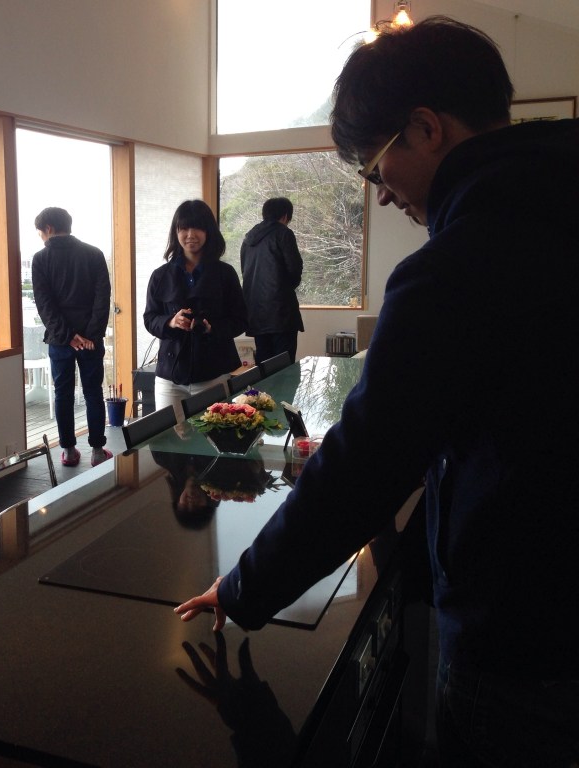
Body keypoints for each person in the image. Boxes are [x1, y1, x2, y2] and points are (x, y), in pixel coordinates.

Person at [175, 17, 579, 767]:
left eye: (373, 168)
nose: (382, 195)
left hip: (528, 634)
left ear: (426, 129)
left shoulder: (457, 266)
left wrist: (241, 589)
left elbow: (360, 474)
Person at [143, 199, 247, 423]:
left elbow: (240, 320)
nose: (190, 234)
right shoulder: (160, 275)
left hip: (214, 373)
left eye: (197, 227)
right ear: (176, 232)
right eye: (184, 228)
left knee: (212, 440)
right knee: (170, 442)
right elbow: (150, 318)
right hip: (170, 376)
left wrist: (212, 327)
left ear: (208, 231)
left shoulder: (225, 274)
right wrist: (171, 322)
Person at [31, 207, 112, 467]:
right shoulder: (94, 254)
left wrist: (67, 336)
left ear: (49, 229)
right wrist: (89, 335)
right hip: (90, 340)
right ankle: (98, 451)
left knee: (63, 394)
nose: (41, 237)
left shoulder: (41, 259)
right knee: (93, 393)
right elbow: (102, 299)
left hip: (59, 341)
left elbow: (45, 304)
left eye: (40, 232)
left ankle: (67, 450)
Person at [239, 197, 304, 366]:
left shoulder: (248, 238)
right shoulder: (283, 233)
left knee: (264, 366)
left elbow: (245, 272)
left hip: (256, 312)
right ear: (285, 216)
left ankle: (264, 394)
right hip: (281, 313)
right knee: (284, 368)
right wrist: (286, 288)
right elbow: (295, 269)